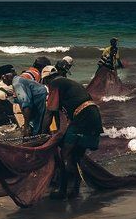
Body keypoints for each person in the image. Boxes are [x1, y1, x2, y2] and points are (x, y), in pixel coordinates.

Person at [41, 66, 103, 199]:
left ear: (47, 79)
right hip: (94, 116)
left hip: (83, 118)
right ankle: (74, 190)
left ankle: (63, 190)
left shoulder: (55, 83)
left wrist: (42, 133)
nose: (46, 85)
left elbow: (50, 112)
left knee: (65, 154)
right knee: (76, 155)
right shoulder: (67, 83)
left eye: (45, 82)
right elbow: (57, 113)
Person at [1, 64, 48, 136]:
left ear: (5, 77)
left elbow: (26, 106)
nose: (3, 81)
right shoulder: (20, 80)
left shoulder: (17, 83)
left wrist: (26, 126)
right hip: (42, 104)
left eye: (2, 78)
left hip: (43, 105)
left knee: (35, 133)